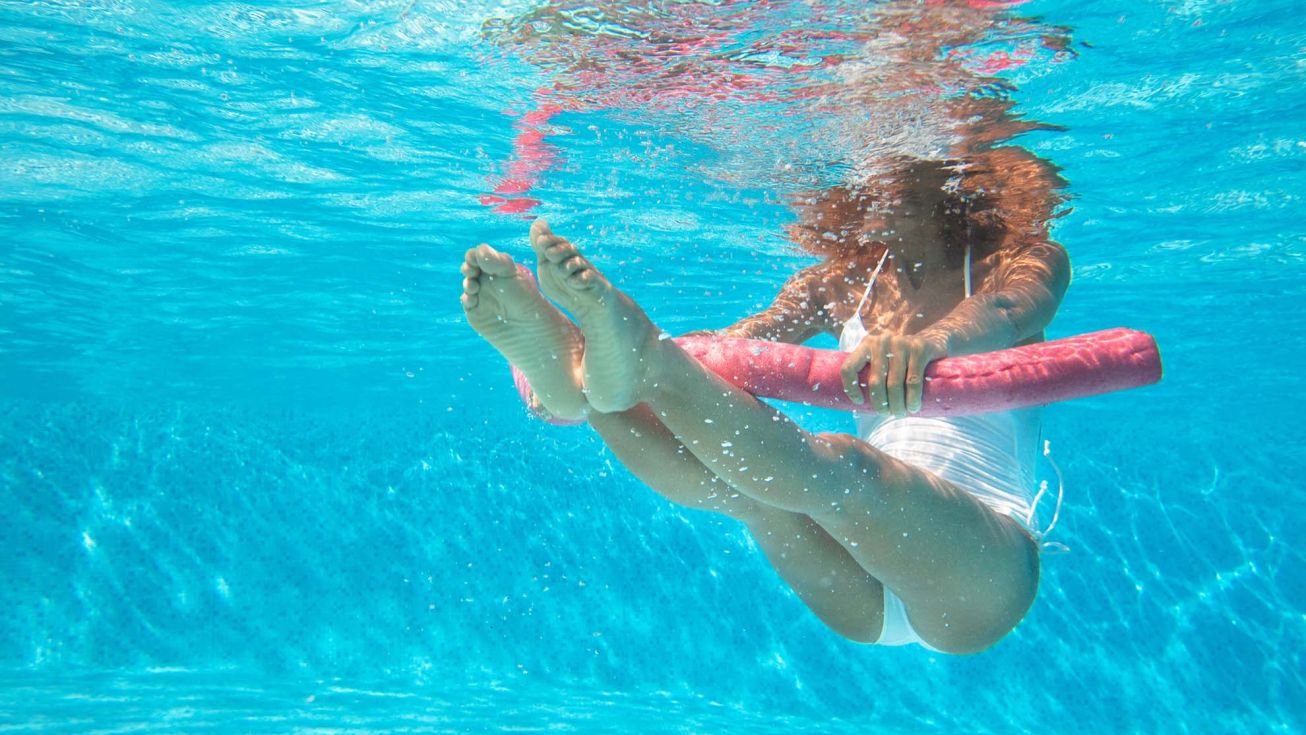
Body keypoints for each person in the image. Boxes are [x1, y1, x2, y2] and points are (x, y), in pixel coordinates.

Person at [460, 152, 1070, 654]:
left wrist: (932, 343)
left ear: (954, 183)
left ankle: (627, 357)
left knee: (848, 467)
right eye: (875, 167)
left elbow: (1011, 308)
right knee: (750, 494)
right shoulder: (836, 283)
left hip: (981, 570)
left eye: (904, 169)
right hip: (861, 597)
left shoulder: (1016, 258)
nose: (883, 179)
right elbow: (740, 346)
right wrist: (614, 372)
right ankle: (586, 384)